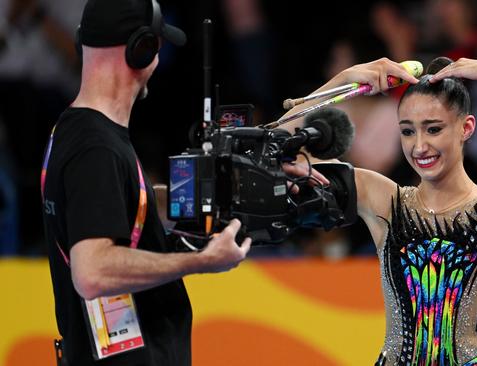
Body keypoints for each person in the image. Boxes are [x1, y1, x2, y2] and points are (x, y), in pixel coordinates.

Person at [40, 0, 327, 364]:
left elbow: (126, 203)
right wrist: (202, 261)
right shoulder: (96, 148)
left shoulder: (77, 129)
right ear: (141, 50)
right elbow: (92, 272)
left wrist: (230, 184)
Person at [283, 56, 477, 365]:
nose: (419, 146)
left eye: (433, 129)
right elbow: (279, 157)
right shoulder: (387, 203)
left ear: (467, 127)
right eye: (408, 131)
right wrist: (345, 81)